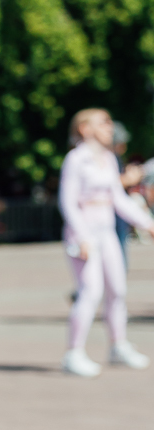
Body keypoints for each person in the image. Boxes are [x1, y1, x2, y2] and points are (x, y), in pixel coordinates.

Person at [59, 108, 153, 377]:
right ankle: (74, 353)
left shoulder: (109, 158)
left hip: (107, 232)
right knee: (90, 291)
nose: (110, 127)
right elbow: (67, 202)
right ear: (84, 129)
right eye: (103, 123)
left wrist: (147, 223)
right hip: (84, 234)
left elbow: (118, 199)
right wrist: (82, 236)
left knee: (117, 290)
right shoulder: (76, 160)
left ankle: (118, 346)